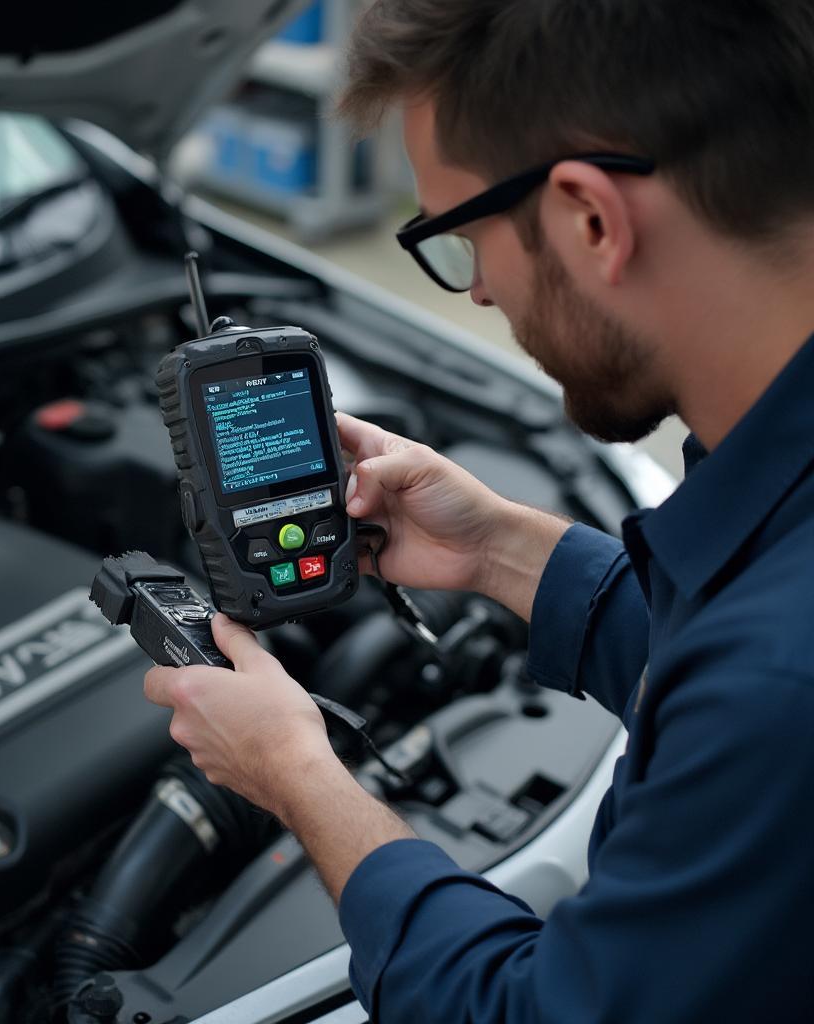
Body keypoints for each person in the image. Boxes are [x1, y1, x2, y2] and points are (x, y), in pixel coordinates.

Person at [144, 1, 814, 1020]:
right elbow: (715, 661)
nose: (479, 296)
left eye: (457, 239)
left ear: (591, 218)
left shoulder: (777, 679)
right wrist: (500, 548)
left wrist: (296, 777)